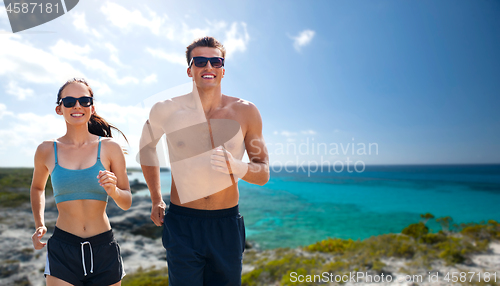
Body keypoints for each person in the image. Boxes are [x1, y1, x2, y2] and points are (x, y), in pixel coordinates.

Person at [139, 36, 270, 285]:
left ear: (223, 69)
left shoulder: (246, 112)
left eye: (215, 61)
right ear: (190, 70)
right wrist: (156, 198)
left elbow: (263, 173)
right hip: (182, 222)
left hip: (226, 224)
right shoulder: (166, 110)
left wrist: (237, 166)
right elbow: (147, 148)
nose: (208, 67)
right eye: (200, 61)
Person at [30, 78, 132, 286]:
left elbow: (126, 202)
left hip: (104, 248)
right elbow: (37, 187)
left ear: (91, 108)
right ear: (59, 109)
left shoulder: (110, 148)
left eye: (84, 100)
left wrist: (113, 191)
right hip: (63, 249)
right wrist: (40, 224)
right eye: (69, 101)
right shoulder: (46, 150)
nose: (77, 106)